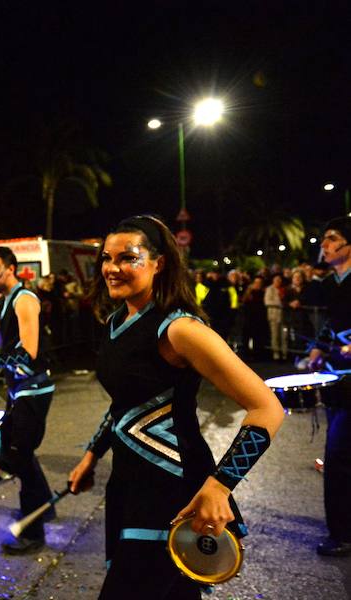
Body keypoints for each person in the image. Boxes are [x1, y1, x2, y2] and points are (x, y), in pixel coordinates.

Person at [66, 215, 284, 599]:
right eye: (107, 258)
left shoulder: (180, 329)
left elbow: (267, 408)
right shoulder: (117, 321)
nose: (112, 268)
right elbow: (124, 403)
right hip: (128, 484)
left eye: (128, 258)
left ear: (159, 263)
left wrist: (220, 485)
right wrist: (91, 455)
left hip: (172, 490)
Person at [0, 245, 56, 554]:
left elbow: (29, 352)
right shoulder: (3, 302)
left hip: (33, 389)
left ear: (10, 269)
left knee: (19, 454)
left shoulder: (24, 299)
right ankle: (44, 505)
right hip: (18, 390)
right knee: (5, 449)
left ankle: (33, 532)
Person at [307, 216, 351, 556]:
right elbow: (331, 324)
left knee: (338, 457)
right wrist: (319, 349)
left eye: (332, 238)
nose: (324, 244)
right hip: (338, 380)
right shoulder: (333, 283)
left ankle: (343, 534)